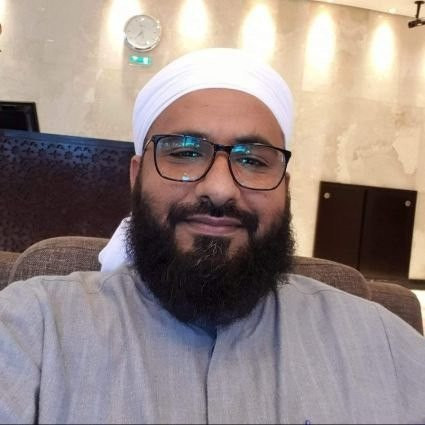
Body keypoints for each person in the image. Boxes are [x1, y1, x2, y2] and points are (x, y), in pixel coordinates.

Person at [1, 48, 425, 424]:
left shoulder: (385, 345)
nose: (220, 189)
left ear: (285, 187)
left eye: (253, 160)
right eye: (185, 152)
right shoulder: (34, 329)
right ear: (136, 176)